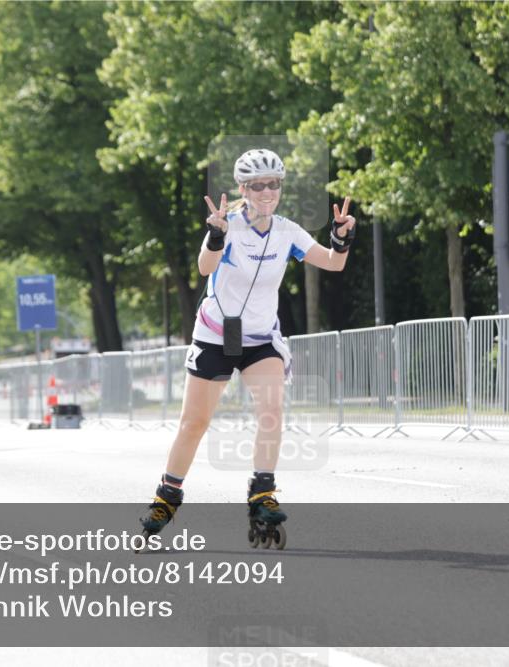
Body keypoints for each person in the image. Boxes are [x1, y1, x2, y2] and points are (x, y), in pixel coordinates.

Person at [138, 148, 357, 547]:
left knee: (272, 412)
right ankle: (165, 499)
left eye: (273, 184)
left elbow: (333, 263)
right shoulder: (229, 226)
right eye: (257, 186)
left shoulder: (287, 231)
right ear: (243, 188)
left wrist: (341, 238)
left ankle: (262, 495)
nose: (266, 193)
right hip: (215, 336)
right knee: (194, 424)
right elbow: (205, 268)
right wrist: (216, 234)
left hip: (259, 339)